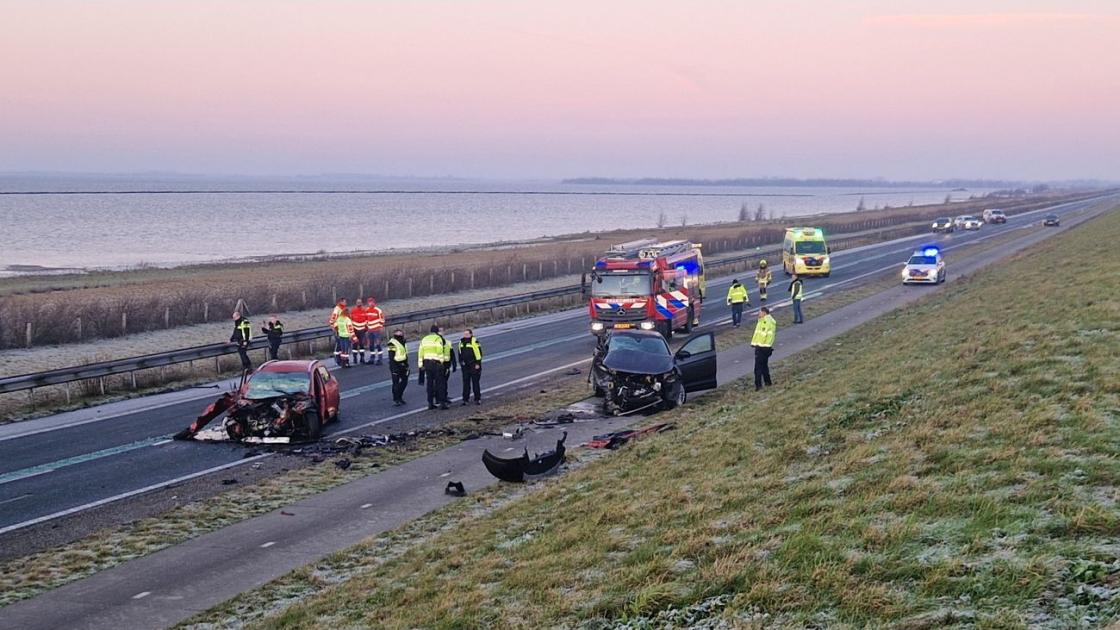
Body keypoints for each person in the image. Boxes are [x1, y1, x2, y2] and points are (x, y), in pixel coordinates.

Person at [418, 325, 450, 409]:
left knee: (430, 384)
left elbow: (420, 353)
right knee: (440, 383)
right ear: (436, 331)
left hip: (427, 364)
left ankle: (430, 403)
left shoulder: (424, 339)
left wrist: (420, 365)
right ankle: (442, 403)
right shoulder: (437, 339)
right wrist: (442, 362)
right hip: (436, 363)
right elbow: (439, 351)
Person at [750, 306, 776, 391]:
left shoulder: (765, 322)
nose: (758, 313)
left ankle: (758, 385)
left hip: (762, 347)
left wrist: (757, 345)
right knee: (764, 366)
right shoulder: (764, 321)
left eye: (760, 312)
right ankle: (768, 382)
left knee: (758, 368)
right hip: (766, 347)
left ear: (764, 313)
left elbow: (762, 335)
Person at [457, 329, 483, 405]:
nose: (465, 336)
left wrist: (478, 363)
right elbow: (459, 353)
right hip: (465, 366)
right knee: (466, 383)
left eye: (467, 334)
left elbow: (479, 353)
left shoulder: (474, 341)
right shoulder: (461, 342)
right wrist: (461, 362)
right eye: (464, 334)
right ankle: (465, 399)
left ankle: (477, 399)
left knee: (475, 382)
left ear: (471, 334)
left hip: (473, 365)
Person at [386, 329, 409, 405]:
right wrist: (394, 368)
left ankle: (400, 396)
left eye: (400, 334)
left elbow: (405, 354)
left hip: (403, 365)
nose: (400, 335)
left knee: (404, 381)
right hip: (395, 365)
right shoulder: (392, 343)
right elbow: (391, 357)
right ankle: (396, 399)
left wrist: (406, 365)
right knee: (395, 383)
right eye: (398, 334)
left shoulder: (403, 342)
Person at [366, 297, 386, 365]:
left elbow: (382, 319)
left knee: (378, 344)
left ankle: (380, 359)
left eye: (372, 302)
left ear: (374, 303)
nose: (370, 303)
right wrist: (367, 327)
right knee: (371, 345)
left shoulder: (378, 310)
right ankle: (372, 358)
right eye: (369, 302)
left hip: (376, 330)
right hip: (370, 330)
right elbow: (366, 320)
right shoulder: (367, 310)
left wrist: (380, 326)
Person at [349, 299, 368, 365]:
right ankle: (355, 358)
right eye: (358, 302)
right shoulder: (353, 311)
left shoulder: (364, 310)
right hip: (355, 330)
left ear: (362, 303)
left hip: (362, 330)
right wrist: (351, 331)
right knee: (355, 344)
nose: (359, 303)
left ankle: (362, 358)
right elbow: (350, 320)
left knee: (361, 344)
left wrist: (366, 328)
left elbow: (367, 320)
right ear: (356, 303)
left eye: (360, 302)